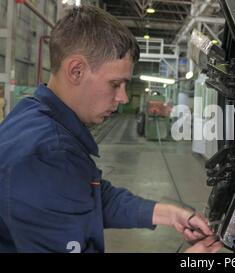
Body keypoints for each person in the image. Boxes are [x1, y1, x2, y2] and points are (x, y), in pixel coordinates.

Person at [0, 6, 222, 253]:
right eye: (115, 84)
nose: (124, 97)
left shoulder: (34, 114)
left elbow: (88, 195)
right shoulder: (47, 154)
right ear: (76, 70)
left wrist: (166, 214)